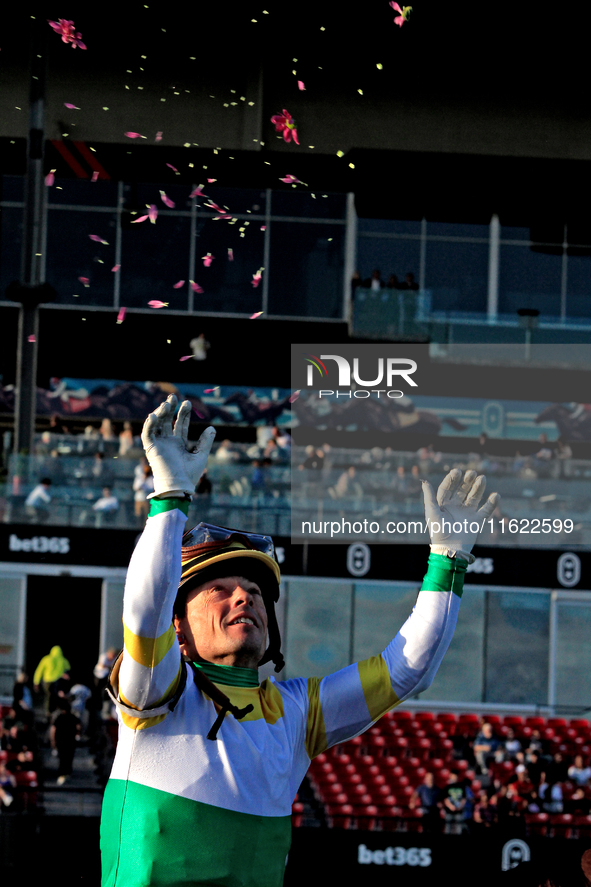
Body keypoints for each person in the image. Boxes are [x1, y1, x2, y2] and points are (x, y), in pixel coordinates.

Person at [99, 393, 499, 887]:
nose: (243, 599)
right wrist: (170, 495)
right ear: (177, 629)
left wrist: (447, 560)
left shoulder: (298, 714)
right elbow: (145, 608)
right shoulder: (156, 692)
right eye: (220, 591)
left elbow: (406, 668)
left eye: (253, 593)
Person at [50, 698, 81, 785]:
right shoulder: (73, 717)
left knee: (62, 758)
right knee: (69, 758)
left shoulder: (59, 717)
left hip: (61, 741)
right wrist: (77, 735)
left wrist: (52, 740)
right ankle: (67, 773)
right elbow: (78, 727)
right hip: (70, 741)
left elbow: (53, 729)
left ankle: (62, 774)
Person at [33, 645, 71, 717]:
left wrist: (36, 682)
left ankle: (48, 712)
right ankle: (56, 710)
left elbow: (39, 671)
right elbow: (68, 671)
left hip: (47, 681)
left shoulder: (46, 659)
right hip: (58, 682)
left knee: (48, 696)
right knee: (57, 696)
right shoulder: (63, 660)